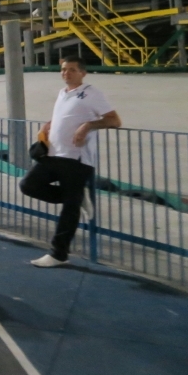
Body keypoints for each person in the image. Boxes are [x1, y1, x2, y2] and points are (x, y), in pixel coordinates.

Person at [20, 56, 120, 268]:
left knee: (69, 209)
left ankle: (58, 253)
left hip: (77, 157)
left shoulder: (91, 93)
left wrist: (87, 126)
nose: (66, 73)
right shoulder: (62, 93)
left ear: (83, 72)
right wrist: (49, 124)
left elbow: (114, 120)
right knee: (28, 185)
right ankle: (75, 197)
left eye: (72, 70)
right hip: (54, 154)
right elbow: (67, 115)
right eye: (64, 69)